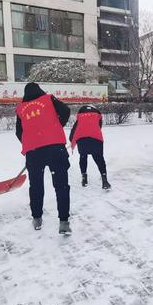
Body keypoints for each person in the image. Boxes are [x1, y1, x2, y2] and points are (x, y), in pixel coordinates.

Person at [15, 82, 72, 234]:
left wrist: (31, 141)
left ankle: (37, 219)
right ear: (40, 90)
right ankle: (64, 222)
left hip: (34, 153)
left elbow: (18, 132)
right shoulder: (48, 99)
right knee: (61, 186)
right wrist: (56, 126)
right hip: (56, 149)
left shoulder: (21, 109)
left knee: (36, 186)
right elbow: (66, 110)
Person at [69, 105, 111, 190]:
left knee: (83, 157)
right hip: (96, 139)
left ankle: (84, 178)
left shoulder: (80, 117)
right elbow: (99, 126)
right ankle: (104, 179)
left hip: (82, 140)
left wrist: (72, 139)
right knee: (99, 158)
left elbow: (74, 129)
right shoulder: (97, 116)